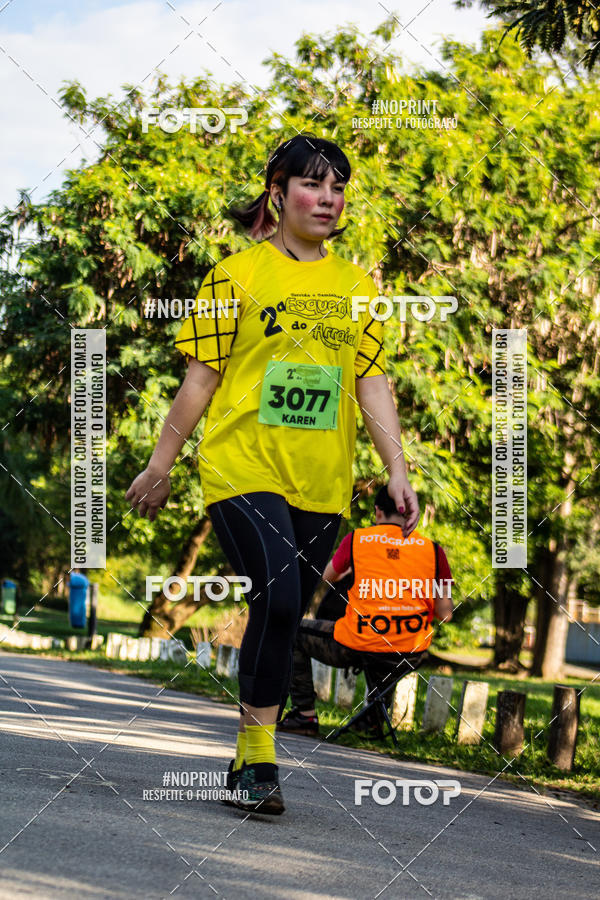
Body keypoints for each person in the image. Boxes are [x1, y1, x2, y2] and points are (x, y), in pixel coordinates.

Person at [125, 134, 419, 816]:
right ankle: (259, 762)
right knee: (282, 600)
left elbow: (371, 384)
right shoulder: (236, 276)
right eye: (313, 185)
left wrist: (395, 471)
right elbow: (201, 380)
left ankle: (246, 755)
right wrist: (161, 464)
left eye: (338, 187)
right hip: (241, 465)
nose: (328, 199)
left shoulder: (354, 286)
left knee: (278, 612)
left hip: (321, 479)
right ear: (278, 194)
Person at [278, 484, 453, 736]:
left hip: (357, 643)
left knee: (293, 633)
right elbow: (445, 614)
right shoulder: (434, 551)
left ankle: (304, 715)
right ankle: (372, 720)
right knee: (389, 651)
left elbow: (326, 576)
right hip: (410, 651)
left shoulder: (357, 540)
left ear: (377, 511)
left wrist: (354, 571)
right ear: (409, 513)